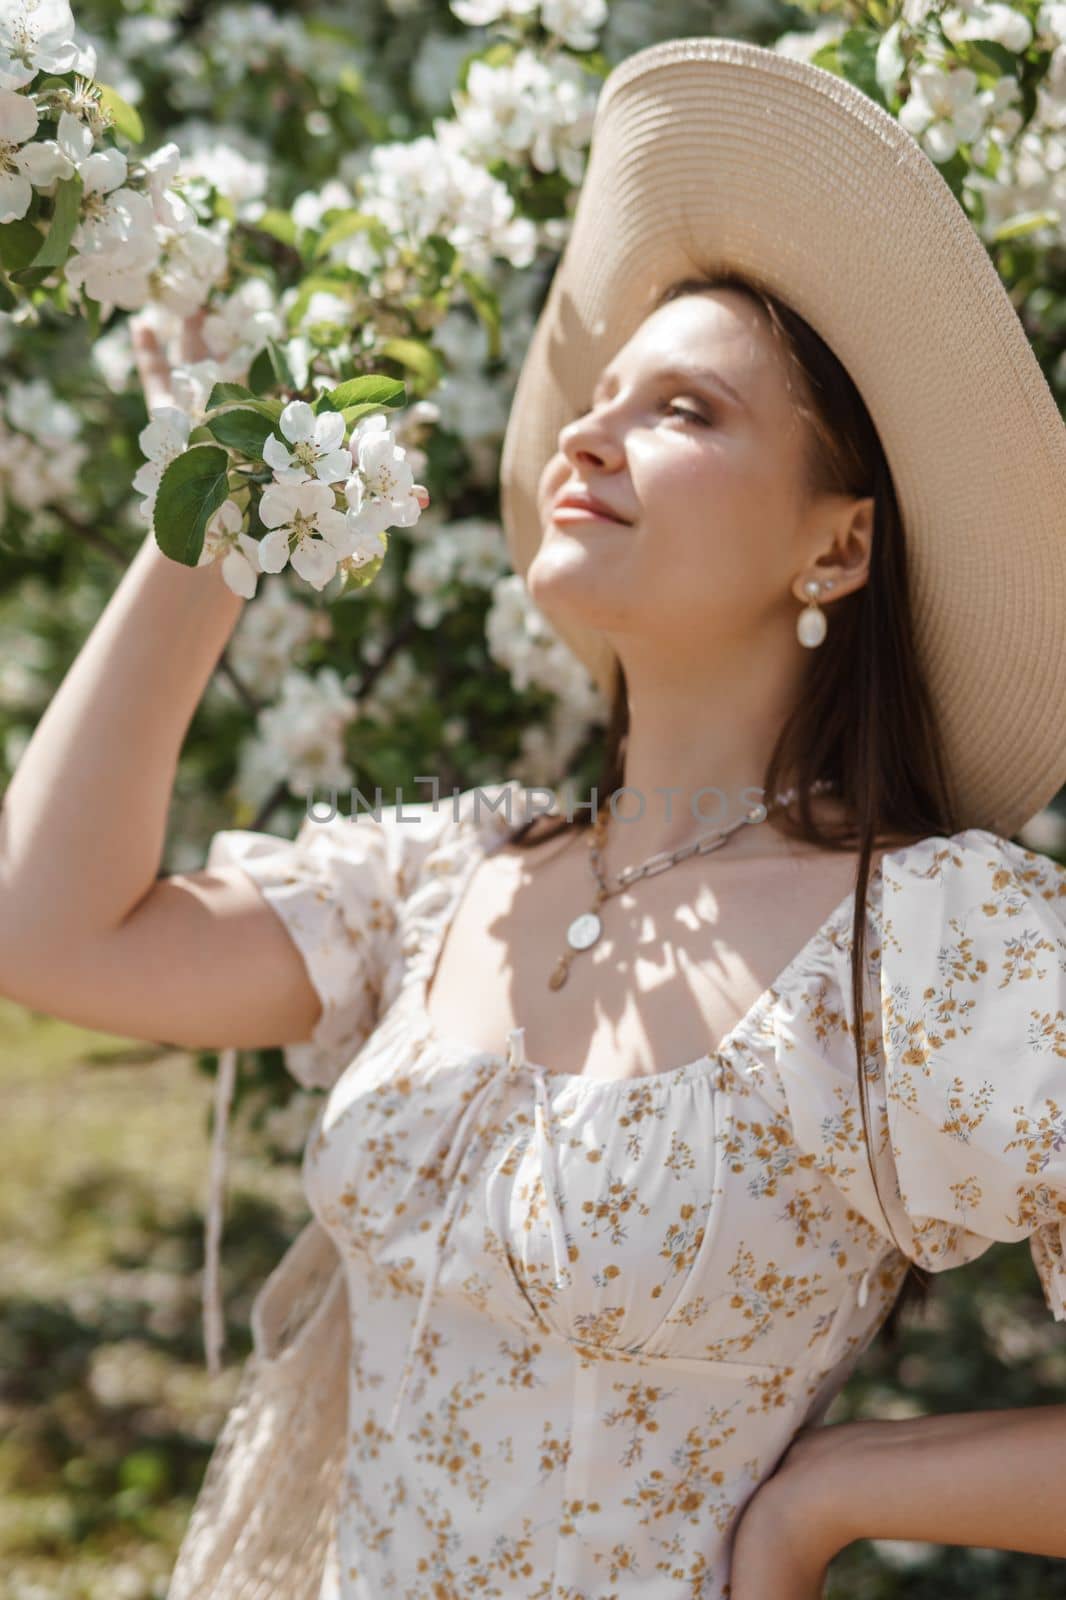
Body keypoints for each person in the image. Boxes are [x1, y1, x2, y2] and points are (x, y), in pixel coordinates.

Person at [2, 34, 1065, 1600]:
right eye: (601, 393)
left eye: (684, 411)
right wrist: (212, 510)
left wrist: (834, 1493)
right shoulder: (453, 873)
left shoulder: (920, 944)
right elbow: (51, 932)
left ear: (836, 549)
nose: (585, 430)